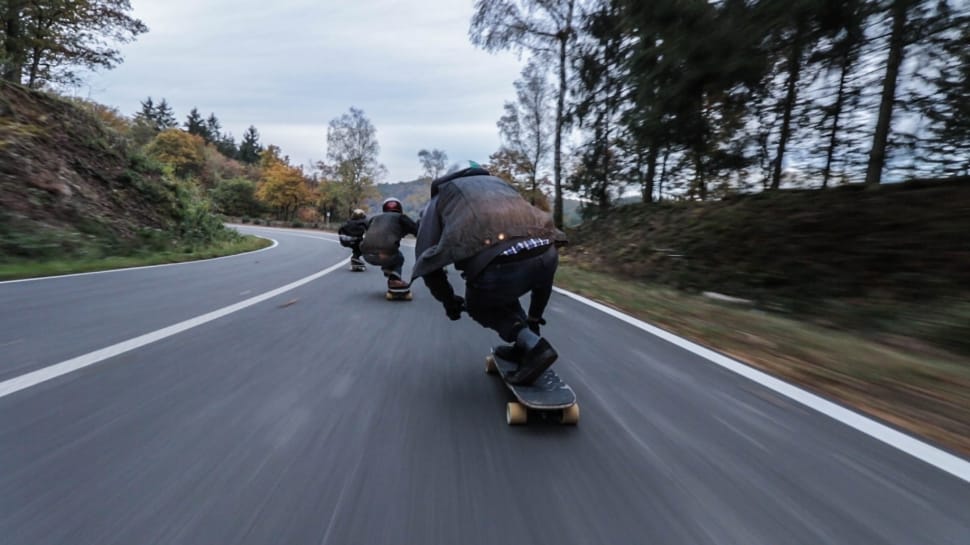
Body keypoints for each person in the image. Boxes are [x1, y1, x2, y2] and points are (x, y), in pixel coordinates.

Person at [411, 161, 567, 385]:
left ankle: (535, 348)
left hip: (501, 265)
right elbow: (540, 267)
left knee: (479, 304)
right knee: (509, 284)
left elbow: (427, 260)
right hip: (547, 252)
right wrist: (534, 317)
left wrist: (448, 301)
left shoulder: (442, 197)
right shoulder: (501, 186)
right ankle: (526, 340)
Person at [361, 197, 418, 291]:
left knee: (389, 251)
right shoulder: (401, 217)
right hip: (387, 254)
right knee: (399, 258)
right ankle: (394, 280)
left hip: (366, 255)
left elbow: (370, 232)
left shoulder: (374, 218)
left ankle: (388, 269)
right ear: (400, 208)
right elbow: (416, 230)